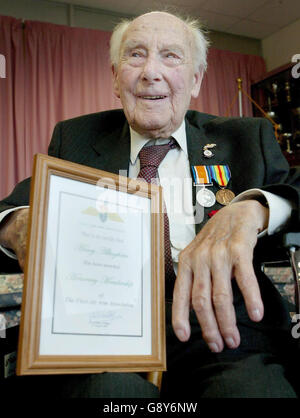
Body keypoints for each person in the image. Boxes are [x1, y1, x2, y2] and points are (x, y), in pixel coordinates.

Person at [0, 11, 299, 398]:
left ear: (195, 81)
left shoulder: (245, 138)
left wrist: (254, 207)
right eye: (136, 55)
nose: (150, 72)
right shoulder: (75, 139)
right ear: (115, 77)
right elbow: (9, 209)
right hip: (103, 335)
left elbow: (293, 191)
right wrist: (18, 224)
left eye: (171, 56)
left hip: (224, 332)